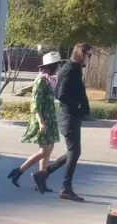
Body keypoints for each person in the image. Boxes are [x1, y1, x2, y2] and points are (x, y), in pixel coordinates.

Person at [34, 43, 92, 202]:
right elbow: (60, 93)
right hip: (69, 117)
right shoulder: (70, 70)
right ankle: (65, 188)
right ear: (81, 53)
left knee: (74, 152)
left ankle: (43, 174)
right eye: (89, 55)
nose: (90, 58)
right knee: (74, 152)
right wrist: (77, 107)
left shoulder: (73, 69)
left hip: (71, 117)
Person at [7, 52, 63, 191]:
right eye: (57, 65)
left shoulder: (48, 80)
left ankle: (41, 181)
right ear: (52, 66)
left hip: (49, 118)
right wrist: (41, 121)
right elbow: (35, 103)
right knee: (44, 151)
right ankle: (19, 170)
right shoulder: (40, 81)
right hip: (42, 119)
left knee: (48, 151)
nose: (58, 67)